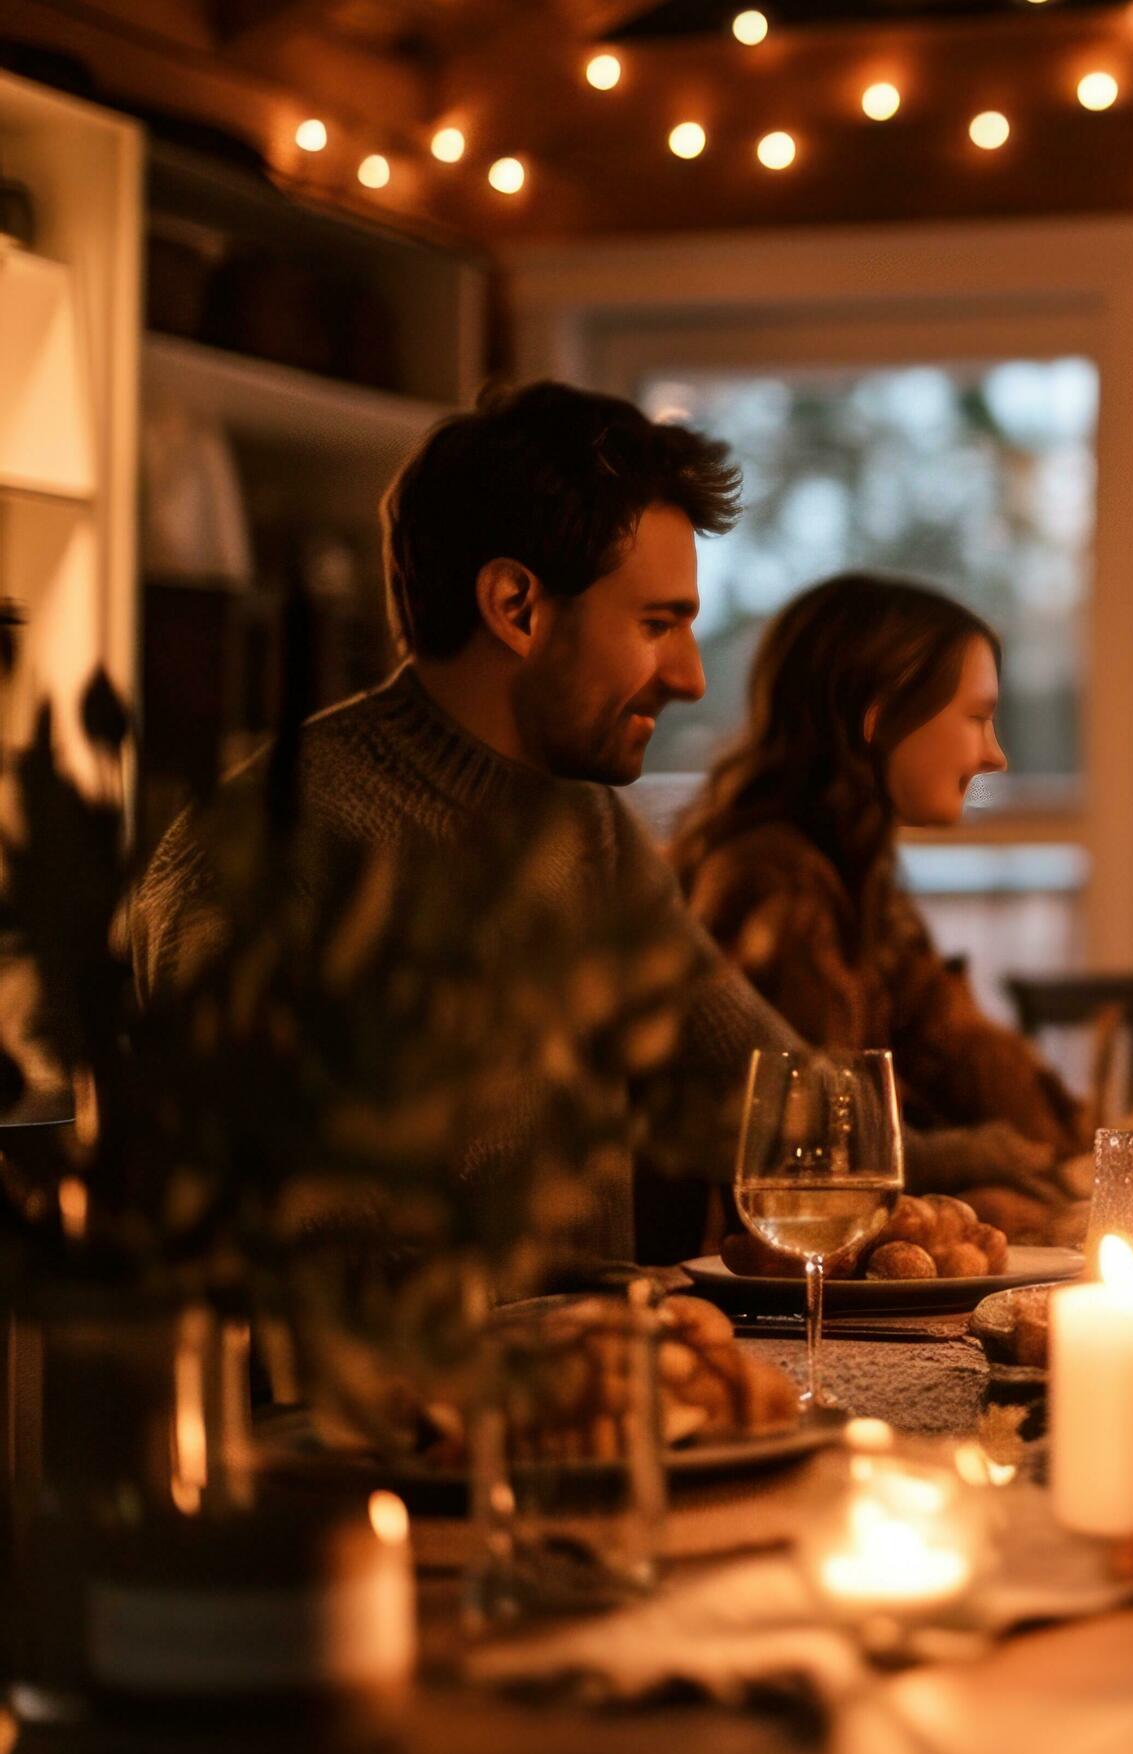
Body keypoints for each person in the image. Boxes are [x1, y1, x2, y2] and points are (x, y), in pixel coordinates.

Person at [132, 381, 1016, 1262]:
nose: (690, 676)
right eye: (656, 624)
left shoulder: (585, 826)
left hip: (601, 1382)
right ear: (517, 608)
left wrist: (1004, 1160)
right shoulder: (268, 855)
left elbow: (764, 1107)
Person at [667, 574, 1083, 1156]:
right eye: (976, 717)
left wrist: (1105, 1138)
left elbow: (972, 1070)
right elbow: (822, 1153)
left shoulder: (857, 882)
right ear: (879, 716)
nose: (995, 753)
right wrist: (1013, 1162)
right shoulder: (773, 885)